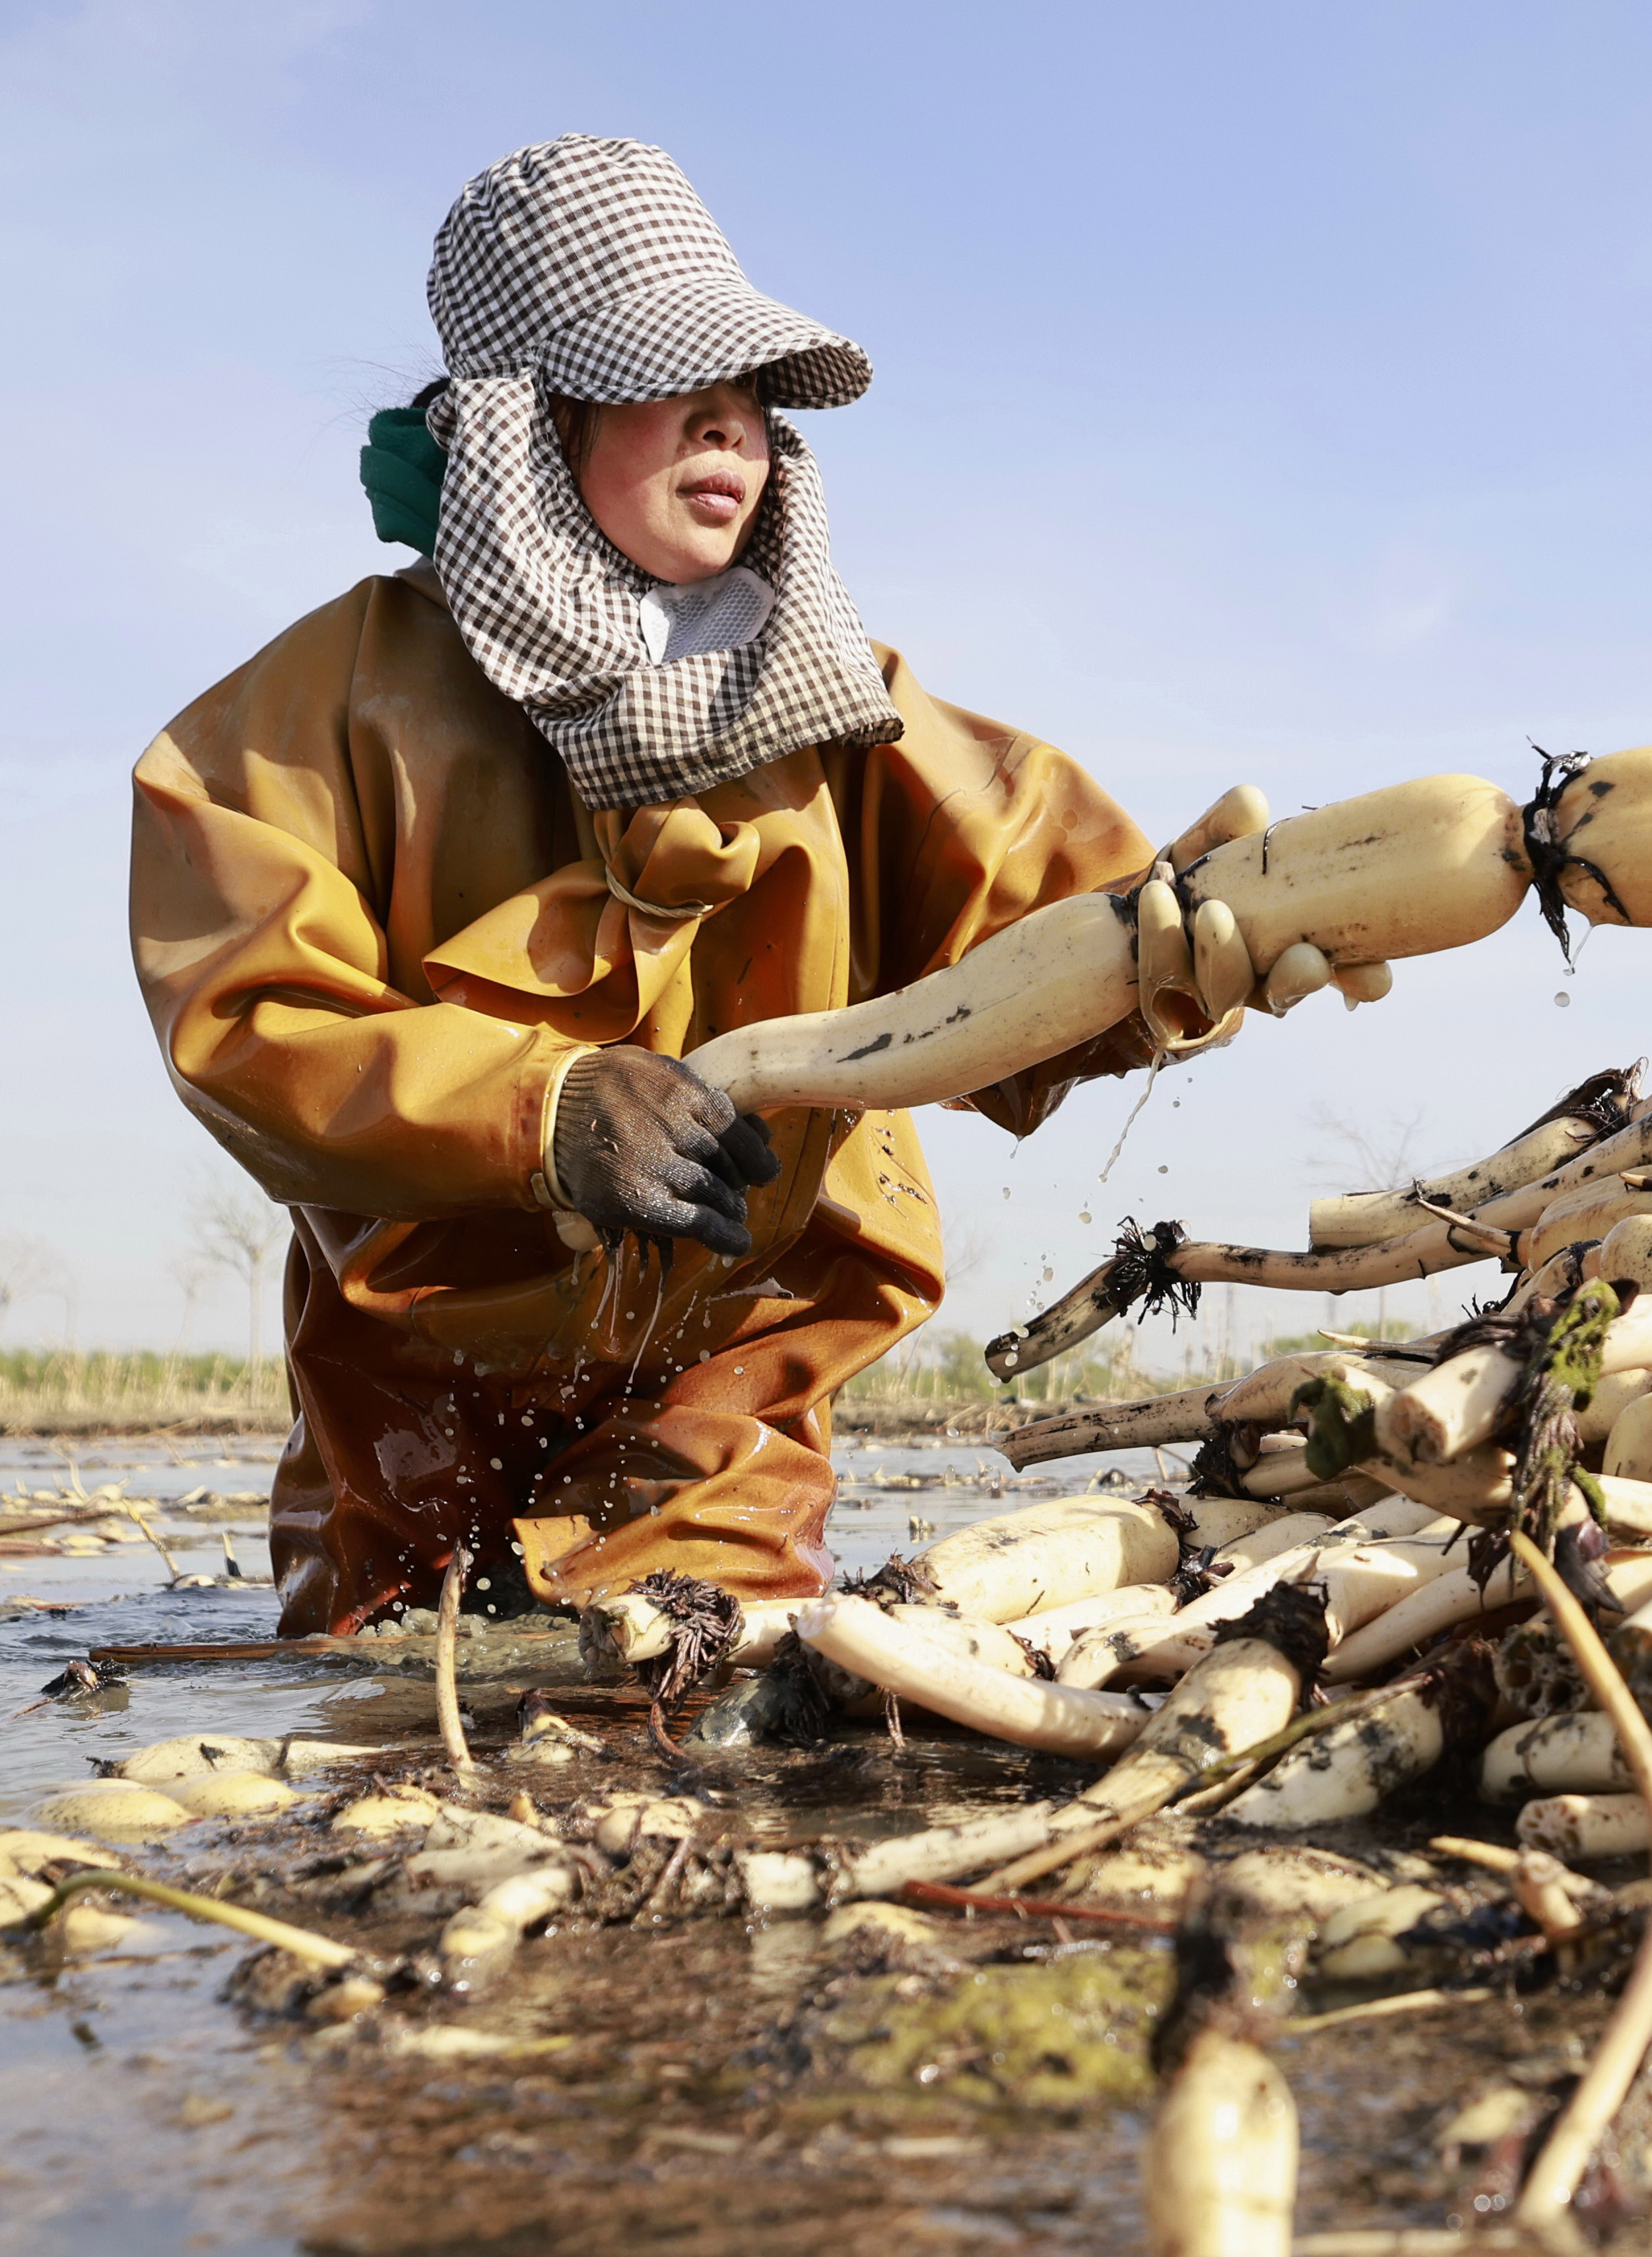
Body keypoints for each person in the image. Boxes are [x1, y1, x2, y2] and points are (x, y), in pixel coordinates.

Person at [130, 136, 1232, 1633]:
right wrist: (549, 1109)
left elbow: (1050, 927)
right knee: (388, 1709)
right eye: (668, 375)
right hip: (414, 1387)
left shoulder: (845, 707)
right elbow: (250, 1019)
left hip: (735, 1376)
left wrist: (1203, 948)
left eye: (754, 391)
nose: (734, 418)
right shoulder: (311, 713)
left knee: (690, 1686)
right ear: (524, 423)